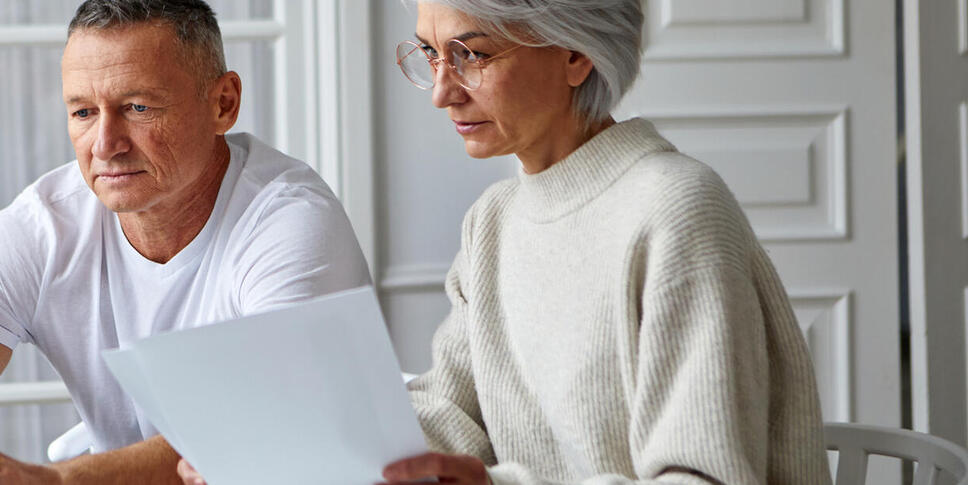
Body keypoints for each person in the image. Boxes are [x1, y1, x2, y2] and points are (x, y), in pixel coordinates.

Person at [179, 0, 830, 483]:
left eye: (472, 54)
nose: (440, 91)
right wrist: (283, 452)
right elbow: (450, 411)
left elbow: (705, 476)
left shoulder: (675, 209)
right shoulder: (493, 221)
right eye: (432, 54)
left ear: (576, 54)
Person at [0, 0, 372, 483]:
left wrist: (58, 480)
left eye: (138, 107)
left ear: (223, 104)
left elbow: (272, 429)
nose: (105, 144)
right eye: (84, 112)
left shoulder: (288, 221)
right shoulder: (41, 228)